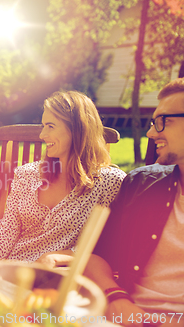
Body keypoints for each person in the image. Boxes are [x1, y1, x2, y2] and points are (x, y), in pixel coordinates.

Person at [0, 91, 126, 266]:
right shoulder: (26, 174)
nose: (42, 135)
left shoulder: (110, 183)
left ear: (78, 128)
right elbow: (8, 229)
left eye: (50, 126)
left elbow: (108, 244)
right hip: (11, 270)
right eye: (43, 126)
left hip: (59, 277)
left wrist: (63, 257)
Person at [85, 78, 184, 326]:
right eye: (152, 123)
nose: (151, 133)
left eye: (163, 121)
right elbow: (96, 257)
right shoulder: (140, 184)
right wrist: (116, 298)